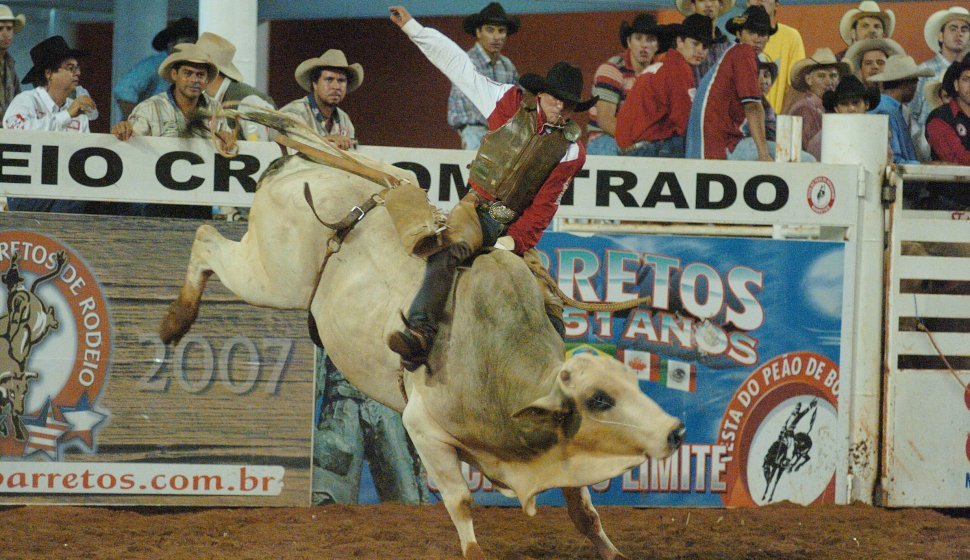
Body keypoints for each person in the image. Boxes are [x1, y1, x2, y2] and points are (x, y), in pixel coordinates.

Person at [387, 5, 595, 369]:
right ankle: (420, 334)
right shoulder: (507, 102)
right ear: (541, 94)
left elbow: (546, 206)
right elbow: (457, 65)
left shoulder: (572, 150)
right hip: (475, 210)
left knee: (549, 303)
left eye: (568, 104)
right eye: (555, 99)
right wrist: (414, 29)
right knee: (446, 252)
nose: (561, 109)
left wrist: (514, 241)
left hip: (513, 227)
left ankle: (554, 375)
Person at [111, 43, 225, 218]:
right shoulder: (149, 108)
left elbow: (225, 143)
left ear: (206, 80)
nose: (195, 80)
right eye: (188, 73)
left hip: (199, 199)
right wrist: (124, 130)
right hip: (157, 200)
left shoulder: (215, 109)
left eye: (200, 75)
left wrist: (227, 141)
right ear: (174, 75)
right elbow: (130, 148)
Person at [313, 351, 430, 505]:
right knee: (333, 501)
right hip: (342, 405)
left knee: (407, 499)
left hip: (386, 404)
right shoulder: (326, 326)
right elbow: (312, 377)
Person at [3, 36, 95, 213]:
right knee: (72, 194)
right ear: (49, 73)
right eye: (70, 68)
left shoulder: (78, 111)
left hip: (65, 185)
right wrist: (66, 115)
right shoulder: (26, 100)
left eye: (78, 67)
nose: (78, 73)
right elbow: (16, 132)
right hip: (25, 189)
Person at [614, 15, 714, 158]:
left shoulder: (664, 65)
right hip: (646, 150)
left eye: (705, 46)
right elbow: (685, 120)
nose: (700, 51)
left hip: (627, 149)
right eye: (695, 43)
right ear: (679, 41)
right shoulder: (679, 69)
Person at [685, 5, 774, 161]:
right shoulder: (743, 53)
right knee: (805, 160)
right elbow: (752, 107)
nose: (758, 39)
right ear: (738, 33)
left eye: (763, 33)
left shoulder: (733, 54)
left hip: (705, 146)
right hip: (719, 145)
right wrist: (764, 155)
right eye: (751, 32)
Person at [447, 2, 519, 151]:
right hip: (475, 132)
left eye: (501, 31)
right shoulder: (466, 63)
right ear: (478, 32)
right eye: (490, 30)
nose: (496, 37)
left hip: (502, 134)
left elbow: (517, 102)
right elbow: (474, 107)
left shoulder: (507, 66)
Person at [587, 13, 661, 156]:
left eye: (650, 39)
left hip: (641, 141)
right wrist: (636, 142)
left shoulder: (659, 74)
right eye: (638, 38)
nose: (644, 45)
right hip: (605, 138)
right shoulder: (612, 69)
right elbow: (605, 119)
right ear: (629, 42)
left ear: (657, 46)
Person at [910, 7, 970, 161]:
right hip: (930, 149)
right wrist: (922, 147)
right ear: (941, 36)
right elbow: (910, 116)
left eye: (964, 29)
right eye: (953, 28)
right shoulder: (923, 71)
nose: (959, 33)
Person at [113, 17, 197, 123]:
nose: (191, 48)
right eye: (187, 42)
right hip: (149, 134)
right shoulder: (154, 65)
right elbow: (123, 90)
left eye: (194, 44)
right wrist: (139, 123)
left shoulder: (193, 70)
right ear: (171, 44)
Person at [279, 50, 362, 151]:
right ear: (315, 84)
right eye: (329, 79)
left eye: (341, 81)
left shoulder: (344, 119)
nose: (336, 86)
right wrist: (324, 141)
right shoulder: (294, 112)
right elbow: (291, 149)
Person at [787, 48, 852, 160]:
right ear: (809, 80)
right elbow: (813, 153)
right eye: (821, 76)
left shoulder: (831, 108)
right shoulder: (804, 109)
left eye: (833, 76)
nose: (828, 82)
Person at [869, 54, 934, 164]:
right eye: (915, 82)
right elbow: (894, 160)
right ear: (908, 84)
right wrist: (924, 167)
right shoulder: (886, 112)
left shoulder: (887, 108)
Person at [746, 0, 805, 115]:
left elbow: (797, 85)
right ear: (748, 3)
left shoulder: (791, 37)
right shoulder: (737, 38)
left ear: (777, 4)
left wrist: (780, 121)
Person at [806, 75, 880, 158]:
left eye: (856, 103)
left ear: (866, 105)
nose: (851, 109)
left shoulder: (877, 134)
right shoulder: (823, 140)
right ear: (836, 108)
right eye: (844, 104)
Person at [925, 54, 970, 165]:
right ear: (956, 85)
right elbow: (959, 160)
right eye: (966, 79)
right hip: (955, 182)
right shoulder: (939, 117)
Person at [676, 0, 734, 83]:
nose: (709, 4)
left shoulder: (727, 45)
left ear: (720, 5)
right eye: (702, 0)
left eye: (713, 0)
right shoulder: (679, 40)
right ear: (693, 5)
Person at [0, 4, 24, 123]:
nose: (5, 33)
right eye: (0, 29)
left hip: (7, 133)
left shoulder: (10, 66)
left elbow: (18, 101)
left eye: (9, 28)